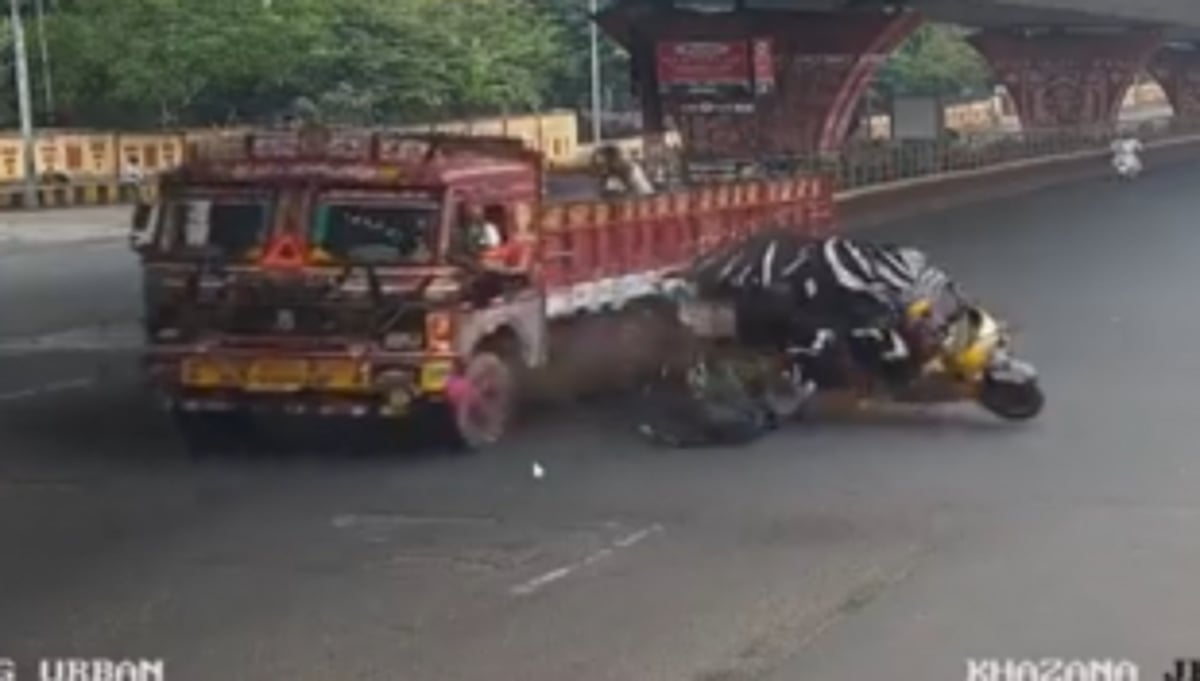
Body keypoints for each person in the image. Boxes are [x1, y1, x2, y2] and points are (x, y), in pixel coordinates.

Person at [687, 229, 954, 390]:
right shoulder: (871, 298)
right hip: (779, 278)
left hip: (797, 270)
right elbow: (817, 331)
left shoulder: (902, 274)